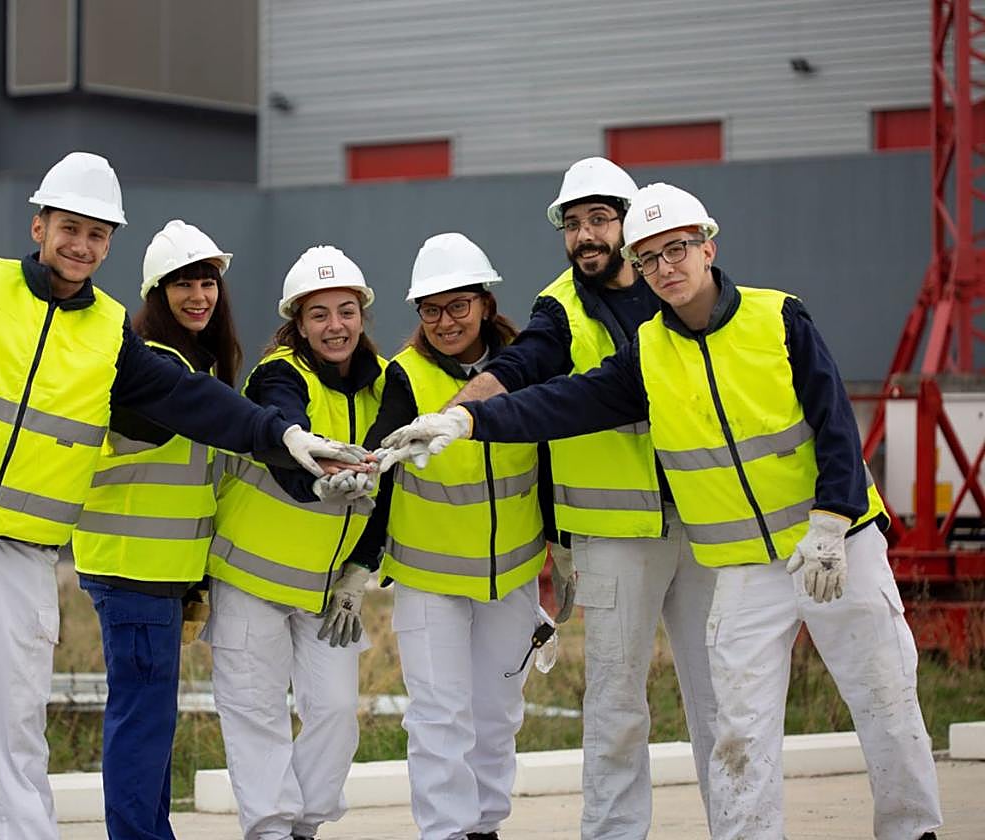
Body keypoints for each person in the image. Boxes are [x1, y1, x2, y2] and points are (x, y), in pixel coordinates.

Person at [379, 183, 944, 840]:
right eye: (650, 258)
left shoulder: (778, 317)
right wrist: (469, 420)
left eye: (676, 249)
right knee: (739, 726)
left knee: (883, 693)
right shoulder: (649, 352)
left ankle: (913, 830)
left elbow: (835, 422)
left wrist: (832, 518)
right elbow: (561, 401)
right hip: (742, 566)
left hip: (837, 543)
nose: (665, 267)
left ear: (708, 244)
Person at [0, 154, 365, 840]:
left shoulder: (110, 332)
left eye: (97, 235)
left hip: (24, 545)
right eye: (69, 228)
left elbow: (192, 401)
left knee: (19, 715)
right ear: (40, 225)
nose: (81, 245)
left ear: (110, 245)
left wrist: (285, 437)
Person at [447, 157, 717, 837]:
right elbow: (521, 365)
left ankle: (742, 827)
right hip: (613, 535)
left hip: (706, 517)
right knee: (617, 703)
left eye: (599, 219)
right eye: (573, 224)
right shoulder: (558, 306)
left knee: (723, 698)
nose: (586, 236)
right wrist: (457, 413)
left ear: (630, 223)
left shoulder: (676, 288)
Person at [351, 232, 550, 840]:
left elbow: (551, 460)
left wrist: (561, 556)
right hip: (430, 583)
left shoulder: (525, 366)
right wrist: (361, 564)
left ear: (486, 303)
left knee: (497, 717)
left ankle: (485, 826)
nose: (444, 321)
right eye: (430, 310)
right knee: (440, 719)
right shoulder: (402, 379)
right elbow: (379, 473)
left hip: (510, 579)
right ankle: (444, 832)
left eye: (458, 305)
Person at [202, 245, 386, 840]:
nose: (335, 326)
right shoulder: (278, 374)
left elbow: (393, 489)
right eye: (319, 315)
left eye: (346, 311)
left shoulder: (382, 387)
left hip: (326, 589)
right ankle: (271, 830)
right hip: (251, 579)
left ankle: (304, 824)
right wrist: (318, 478)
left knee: (334, 712)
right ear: (297, 324)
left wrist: (361, 571)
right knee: (256, 714)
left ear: (362, 315)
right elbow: (285, 427)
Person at [70, 220, 242, 839]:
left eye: (207, 283)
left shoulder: (198, 365)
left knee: (149, 719)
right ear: (155, 295)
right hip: (132, 566)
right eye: (183, 286)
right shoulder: (154, 368)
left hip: (160, 571)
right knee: (141, 720)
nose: (199, 296)